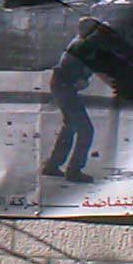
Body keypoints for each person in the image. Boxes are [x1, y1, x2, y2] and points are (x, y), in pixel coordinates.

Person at [42, 17, 99, 183]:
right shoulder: (82, 45)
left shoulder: (80, 43)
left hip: (61, 86)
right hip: (64, 87)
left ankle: (53, 165)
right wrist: (81, 80)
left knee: (70, 126)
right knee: (86, 130)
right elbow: (77, 72)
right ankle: (74, 170)